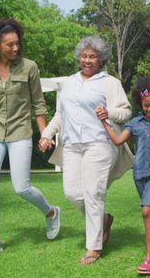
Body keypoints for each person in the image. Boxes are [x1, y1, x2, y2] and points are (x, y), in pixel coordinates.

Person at [39, 36, 133, 265]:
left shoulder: (110, 82)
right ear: (79, 57)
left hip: (100, 142)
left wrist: (108, 112)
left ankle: (93, 247)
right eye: (84, 56)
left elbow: (126, 112)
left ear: (101, 59)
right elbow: (61, 115)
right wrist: (46, 135)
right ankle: (103, 220)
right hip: (72, 144)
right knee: (72, 192)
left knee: (93, 193)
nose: (88, 60)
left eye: (92, 56)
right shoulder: (69, 82)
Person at [0, 19, 60, 261]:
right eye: (10, 45)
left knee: (21, 187)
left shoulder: (29, 67)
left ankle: (51, 212)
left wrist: (45, 134)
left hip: (20, 132)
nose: (15, 48)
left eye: (17, 44)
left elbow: (38, 103)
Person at [98, 77, 150, 275]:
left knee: (146, 211)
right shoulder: (135, 123)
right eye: (147, 105)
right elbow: (118, 141)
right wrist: (104, 122)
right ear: (141, 104)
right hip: (140, 173)